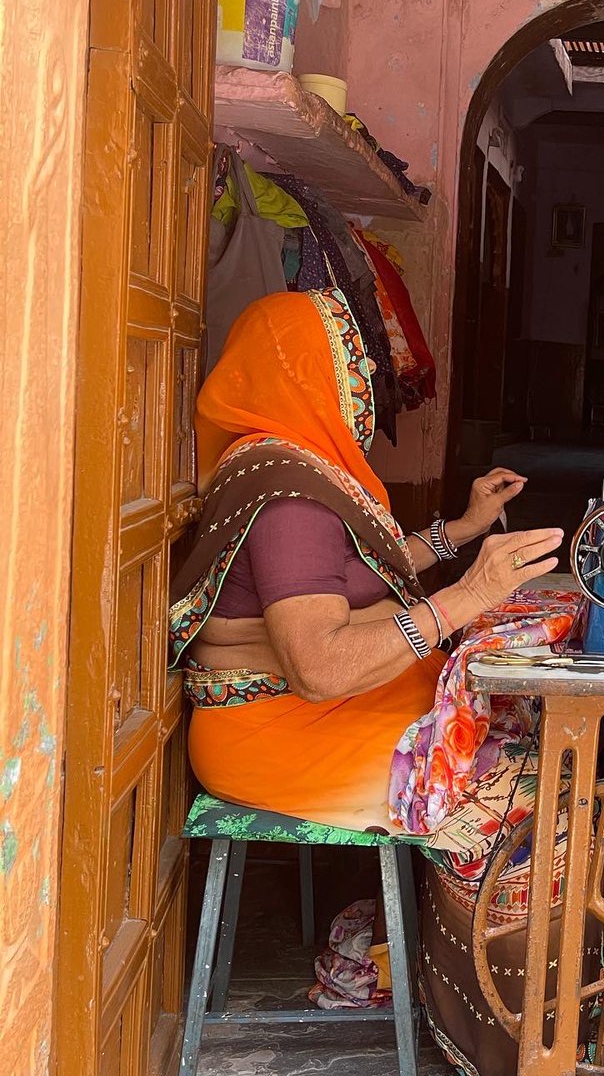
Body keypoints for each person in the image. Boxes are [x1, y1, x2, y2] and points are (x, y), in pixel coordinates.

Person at [169, 286, 561, 832]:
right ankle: (480, 915)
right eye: (350, 362)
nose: (369, 376)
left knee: (518, 718)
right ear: (307, 376)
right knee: (532, 782)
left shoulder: (283, 459)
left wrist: (463, 528)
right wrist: (468, 595)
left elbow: (359, 570)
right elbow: (320, 670)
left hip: (305, 711)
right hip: (279, 734)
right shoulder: (291, 501)